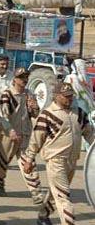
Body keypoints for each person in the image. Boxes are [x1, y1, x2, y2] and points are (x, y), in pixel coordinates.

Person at [24, 83, 94, 225]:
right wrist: (29, 158)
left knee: (56, 192)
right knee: (64, 198)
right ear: (56, 96)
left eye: (71, 95)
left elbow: (90, 134)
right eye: (66, 96)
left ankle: (43, 215)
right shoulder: (47, 114)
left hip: (72, 161)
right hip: (56, 161)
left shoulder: (79, 113)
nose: (70, 98)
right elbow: (36, 139)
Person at [0, 69, 44, 203]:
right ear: (14, 79)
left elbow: (35, 114)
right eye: (21, 78)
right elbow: (3, 116)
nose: (24, 80)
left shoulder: (29, 94)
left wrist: (34, 107)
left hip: (25, 135)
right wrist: (10, 131)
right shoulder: (7, 95)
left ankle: (36, 192)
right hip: (9, 136)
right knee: (3, 163)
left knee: (29, 163)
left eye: (26, 77)